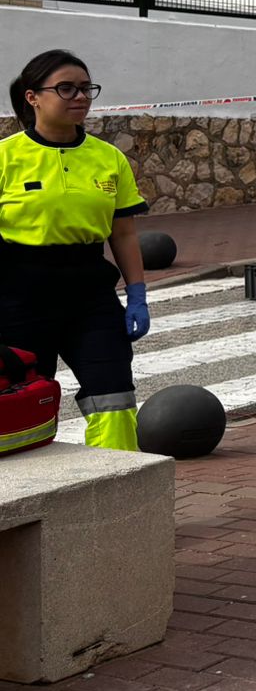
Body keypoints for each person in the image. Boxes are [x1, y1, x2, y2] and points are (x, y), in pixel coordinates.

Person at [0, 51, 150, 450]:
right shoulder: (5, 157)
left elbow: (124, 234)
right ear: (33, 97)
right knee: (22, 402)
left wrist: (137, 294)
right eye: (66, 88)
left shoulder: (108, 157)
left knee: (114, 394)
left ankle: (118, 489)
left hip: (91, 296)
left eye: (86, 88)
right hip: (19, 295)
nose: (80, 96)